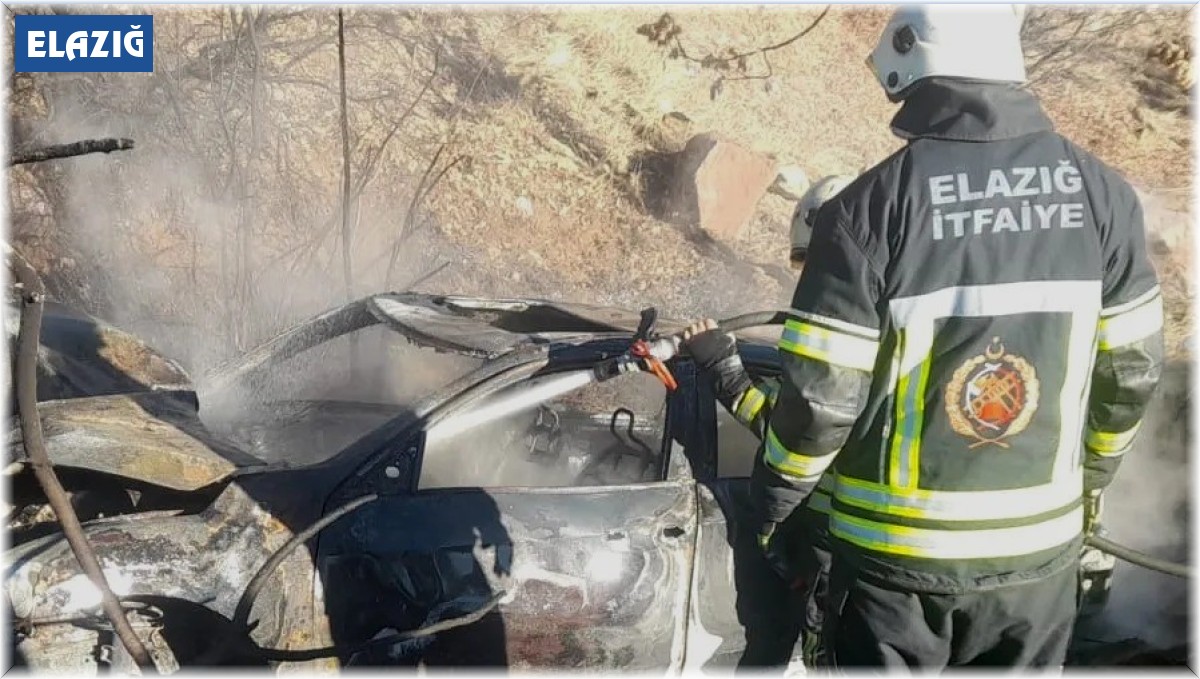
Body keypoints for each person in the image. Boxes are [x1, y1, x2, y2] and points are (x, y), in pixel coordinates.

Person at [689, 4, 1164, 670]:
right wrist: (1092, 479)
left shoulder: (870, 209)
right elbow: (1134, 373)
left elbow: (820, 408)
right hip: (1036, 569)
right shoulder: (1104, 198)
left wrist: (771, 505)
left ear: (915, 63)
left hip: (896, 576)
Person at [683, 174, 856, 670]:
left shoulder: (847, 342)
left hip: (839, 549)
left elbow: (801, 430)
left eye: (810, 264)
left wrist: (727, 373)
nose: (805, 281)